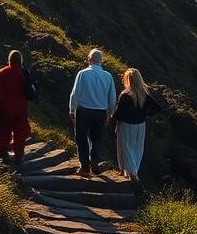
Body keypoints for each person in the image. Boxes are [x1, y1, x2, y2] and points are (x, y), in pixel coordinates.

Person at [68, 49, 116, 177]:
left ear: (89, 59)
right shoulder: (108, 76)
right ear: (101, 61)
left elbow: (75, 93)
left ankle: (84, 166)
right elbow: (112, 97)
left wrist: (72, 110)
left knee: (81, 138)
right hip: (100, 112)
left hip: (83, 111)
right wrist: (110, 113)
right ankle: (94, 161)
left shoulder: (83, 74)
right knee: (96, 138)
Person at [111, 68, 161, 183]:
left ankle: (131, 174)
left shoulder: (125, 94)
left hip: (126, 124)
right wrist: (145, 115)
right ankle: (130, 171)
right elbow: (157, 108)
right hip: (140, 125)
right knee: (137, 148)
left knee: (125, 148)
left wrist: (112, 119)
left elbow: (119, 112)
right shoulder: (143, 93)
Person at [0, 50, 32, 166]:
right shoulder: (24, 73)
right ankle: (19, 156)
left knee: (3, 132)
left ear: (9, 60)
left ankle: (4, 154)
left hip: (5, 107)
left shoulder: (3, 72)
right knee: (20, 133)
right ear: (20, 60)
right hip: (21, 107)